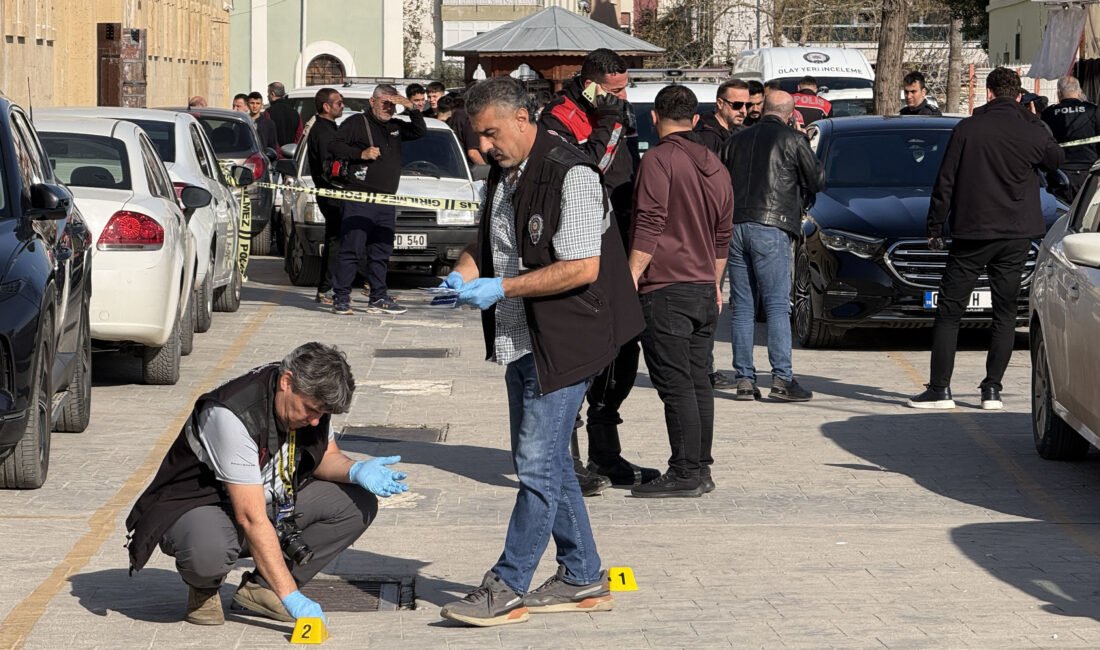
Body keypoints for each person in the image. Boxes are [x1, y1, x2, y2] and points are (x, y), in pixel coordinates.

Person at [437, 75, 641, 628]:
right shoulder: (505, 176)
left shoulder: (570, 174)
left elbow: (581, 267)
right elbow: (487, 247)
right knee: (548, 463)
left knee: (534, 465)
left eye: (490, 134)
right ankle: (583, 575)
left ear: (523, 120)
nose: (484, 147)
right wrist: (462, 277)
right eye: (478, 137)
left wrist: (500, 288)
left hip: (568, 340)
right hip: (521, 339)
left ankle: (506, 585)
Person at [124, 342, 408, 626]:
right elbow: (251, 518)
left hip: (269, 500)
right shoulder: (231, 414)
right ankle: (204, 589)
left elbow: (325, 457)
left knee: (355, 503)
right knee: (210, 548)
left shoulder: (309, 403)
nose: (314, 422)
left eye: (322, 414)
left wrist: (355, 469)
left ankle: (262, 589)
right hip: (199, 505)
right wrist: (292, 597)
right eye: (311, 410)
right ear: (287, 382)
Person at [540, 48, 659, 495]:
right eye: (614, 90)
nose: (622, 97)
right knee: (581, 353)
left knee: (624, 349)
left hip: (620, 240)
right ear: (589, 82)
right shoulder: (559, 116)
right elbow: (589, 169)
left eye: (626, 88)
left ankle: (605, 451)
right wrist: (608, 122)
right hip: (580, 247)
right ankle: (565, 459)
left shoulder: (614, 110)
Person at [910, 67, 1063, 410]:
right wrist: (1037, 122)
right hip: (1017, 233)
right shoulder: (1031, 129)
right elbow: (1056, 159)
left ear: (989, 94)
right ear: (1020, 95)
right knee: (1006, 312)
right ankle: (992, 389)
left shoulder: (968, 128)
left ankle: (940, 389)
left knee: (950, 310)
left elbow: (945, 181)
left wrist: (935, 227)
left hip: (973, 231)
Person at [629, 85, 733, 498]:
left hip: (666, 287)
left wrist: (630, 274)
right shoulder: (716, 165)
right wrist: (715, 281)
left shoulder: (658, 160)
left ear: (654, 118)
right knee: (697, 381)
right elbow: (723, 234)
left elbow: (649, 221)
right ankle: (700, 467)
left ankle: (686, 471)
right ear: (695, 120)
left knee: (676, 385)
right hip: (703, 288)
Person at [719, 91, 823, 402]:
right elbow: (817, 179)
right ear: (791, 114)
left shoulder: (735, 140)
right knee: (778, 305)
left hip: (735, 225)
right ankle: (781, 377)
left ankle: (744, 380)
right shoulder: (793, 139)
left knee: (743, 307)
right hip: (772, 225)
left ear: (762, 109)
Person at [327, 84, 426, 315]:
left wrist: (411, 108)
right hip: (360, 198)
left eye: (392, 104)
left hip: (385, 200)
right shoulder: (356, 123)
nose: (388, 108)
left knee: (381, 251)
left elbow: (421, 132)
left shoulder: (395, 126)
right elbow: (334, 146)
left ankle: (378, 297)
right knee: (352, 249)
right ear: (372, 102)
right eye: (384, 103)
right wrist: (359, 154)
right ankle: (341, 298)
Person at [306, 88, 345, 306]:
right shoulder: (323, 132)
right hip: (331, 193)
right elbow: (328, 166)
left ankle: (330, 287)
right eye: (339, 103)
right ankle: (326, 288)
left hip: (335, 192)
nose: (343, 105)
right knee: (336, 240)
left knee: (339, 238)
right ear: (326, 106)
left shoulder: (329, 128)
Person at [1041, 75, 1100, 197]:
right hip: (1089, 174)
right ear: (1079, 92)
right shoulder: (1093, 111)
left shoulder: (1048, 114)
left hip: (1059, 175)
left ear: (1059, 93)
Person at [694, 78, 749, 154]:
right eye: (737, 105)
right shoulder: (706, 136)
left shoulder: (742, 132)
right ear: (720, 103)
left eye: (747, 105)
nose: (744, 111)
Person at [266, 81, 303, 147]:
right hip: (291, 153)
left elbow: (267, 136)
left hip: (274, 154)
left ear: (272, 94)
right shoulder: (295, 113)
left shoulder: (268, 113)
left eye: (268, 93)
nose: (267, 96)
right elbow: (299, 135)